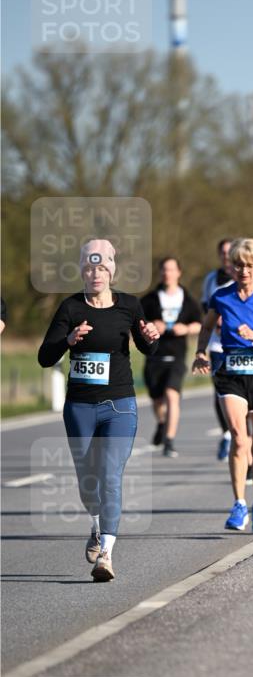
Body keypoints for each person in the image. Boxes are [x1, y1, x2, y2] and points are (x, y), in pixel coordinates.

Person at [37, 239, 160, 581]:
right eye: (90, 268)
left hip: (120, 404)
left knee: (110, 474)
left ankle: (105, 554)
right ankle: (95, 525)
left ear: (111, 271)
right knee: (87, 479)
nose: (96, 274)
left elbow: (148, 347)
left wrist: (151, 336)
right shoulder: (71, 308)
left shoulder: (130, 306)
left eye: (102, 268)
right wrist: (69, 340)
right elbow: (45, 357)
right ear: (82, 270)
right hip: (80, 407)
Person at [192, 237, 253, 534]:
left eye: (249, 266)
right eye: (238, 265)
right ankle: (238, 503)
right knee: (238, 437)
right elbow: (207, 325)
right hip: (231, 373)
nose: (243, 271)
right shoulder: (222, 297)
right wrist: (200, 352)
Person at [141, 257, 202, 457]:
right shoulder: (149, 300)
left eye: (171, 269)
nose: (167, 273)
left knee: (171, 394)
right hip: (154, 356)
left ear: (179, 272)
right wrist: (150, 326)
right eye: (164, 270)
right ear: (160, 274)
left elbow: (201, 324)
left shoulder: (187, 299)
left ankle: (169, 440)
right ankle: (161, 423)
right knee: (157, 399)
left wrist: (185, 328)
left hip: (177, 355)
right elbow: (136, 323)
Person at [201, 238, 235, 459]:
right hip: (217, 345)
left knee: (244, 392)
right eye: (222, 252)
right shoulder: (211, 279)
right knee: (221, 392)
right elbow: (205, 304)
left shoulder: (245, 275)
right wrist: (214, 321)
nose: (226, 256)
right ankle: (227, 435)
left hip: (242, 346)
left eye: (229, 252)